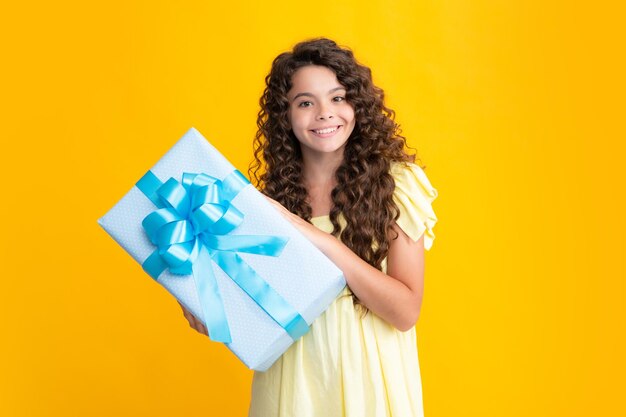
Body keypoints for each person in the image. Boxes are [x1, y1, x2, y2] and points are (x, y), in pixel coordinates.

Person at [179, 37, 438, 417]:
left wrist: (314, 237)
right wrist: (207, 307)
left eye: (337, 98)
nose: (324, 113)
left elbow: (405, 311)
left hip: (368, 378)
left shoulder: (396, 184)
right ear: (285, 115)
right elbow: (258, 313)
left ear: (357, 105)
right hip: (291, 382)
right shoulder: (267, 203)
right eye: (305, 102)